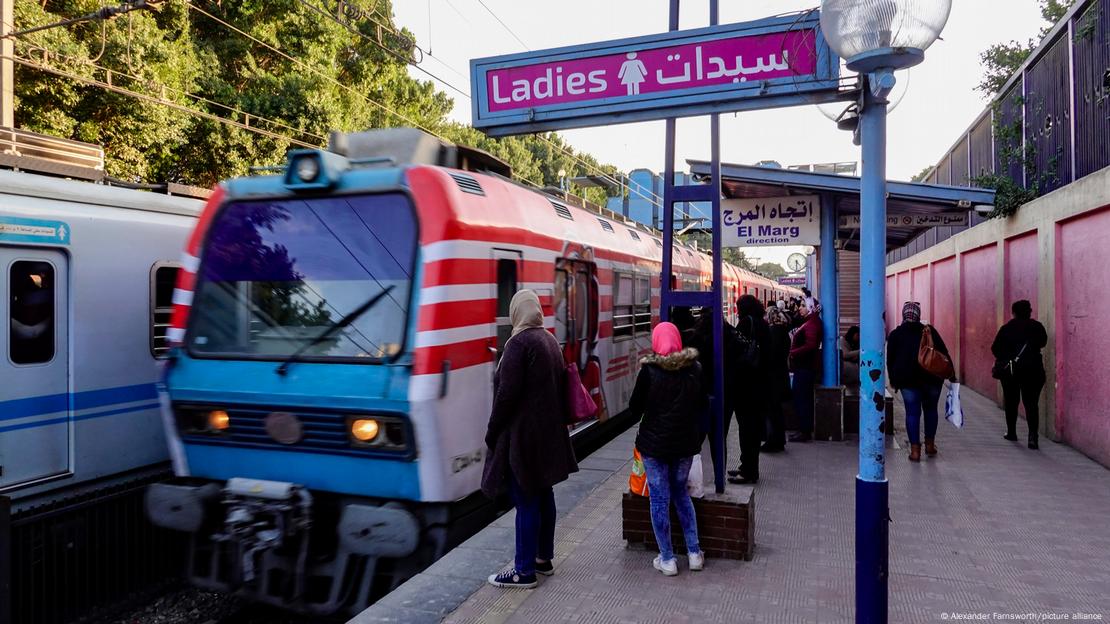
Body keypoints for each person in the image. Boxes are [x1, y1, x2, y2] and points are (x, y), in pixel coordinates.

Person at [482, 290, 579, 589]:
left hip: (522, 438)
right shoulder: (549, 340)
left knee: (525, 502)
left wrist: (491, 430)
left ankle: (523, 571)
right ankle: (543, 559)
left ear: (516, 313)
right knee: (544, 495)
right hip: (548, 435)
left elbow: (506, 395)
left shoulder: (518, 344)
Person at [628, 322, 705, 576]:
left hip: (655, 446)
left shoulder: (650, 371)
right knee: (681, 494)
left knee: (659, 500)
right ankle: (694, 554)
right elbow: (703, 403)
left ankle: (668, 559)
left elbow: (634, 409)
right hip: (684, 446)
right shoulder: (695, 368)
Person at [887, 301, 954, 462]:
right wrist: (951, 374)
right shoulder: (929, 331)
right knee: (931, 411)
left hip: (907, 381)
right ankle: (930, 446)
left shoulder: (896, 334)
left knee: (912, 413)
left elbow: (890, 360)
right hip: (932, 380)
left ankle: (915, 451)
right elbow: (943, 353)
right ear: (918, 315)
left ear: (904, 314)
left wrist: (893, 380)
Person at [991, 300, 1048, 449]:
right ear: (1029, 311)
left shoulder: (1006, 329)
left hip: (1011, 372)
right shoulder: (1037, 327)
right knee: (1031, 404)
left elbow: (995, 348)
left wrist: (1008, 356)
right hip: (1033, 371)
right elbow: (1043, 343)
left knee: (1011, 402)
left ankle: (1011, 432)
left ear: (1013, 312)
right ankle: (1032, 437)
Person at [727, 296, 771, 484]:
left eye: (738, 307)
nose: (736, 311)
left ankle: (749, 471)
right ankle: (747, 467)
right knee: (752, 431)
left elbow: (734, 348)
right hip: (761, 385)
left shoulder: (747, 323)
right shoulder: (763, 324)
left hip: (747, 387)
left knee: (747, 431)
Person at [788, 301, 823, 442]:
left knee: (801, 398)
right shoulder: (811, 322)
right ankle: (803, 429)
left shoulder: (812, 324)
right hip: (805, 367)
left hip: (805, 367)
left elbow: (810, 345)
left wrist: (793, 352)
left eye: (803, 305)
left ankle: (804, 431)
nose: (800, 308)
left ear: (811, 308)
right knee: (802, 398)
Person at [762, 305, 792, 452]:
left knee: (772, 411)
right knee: (777, 410)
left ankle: (773, 441)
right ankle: (779, 440)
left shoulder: (773, 333)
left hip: (773, 378)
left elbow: (771, 356)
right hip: (781, 376)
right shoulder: (783, 332)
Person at [841, 325, 861, 396]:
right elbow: (845, 354)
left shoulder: (854, 343)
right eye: (857, 335)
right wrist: (860, 351)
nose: (858, 338)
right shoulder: (842, 341)